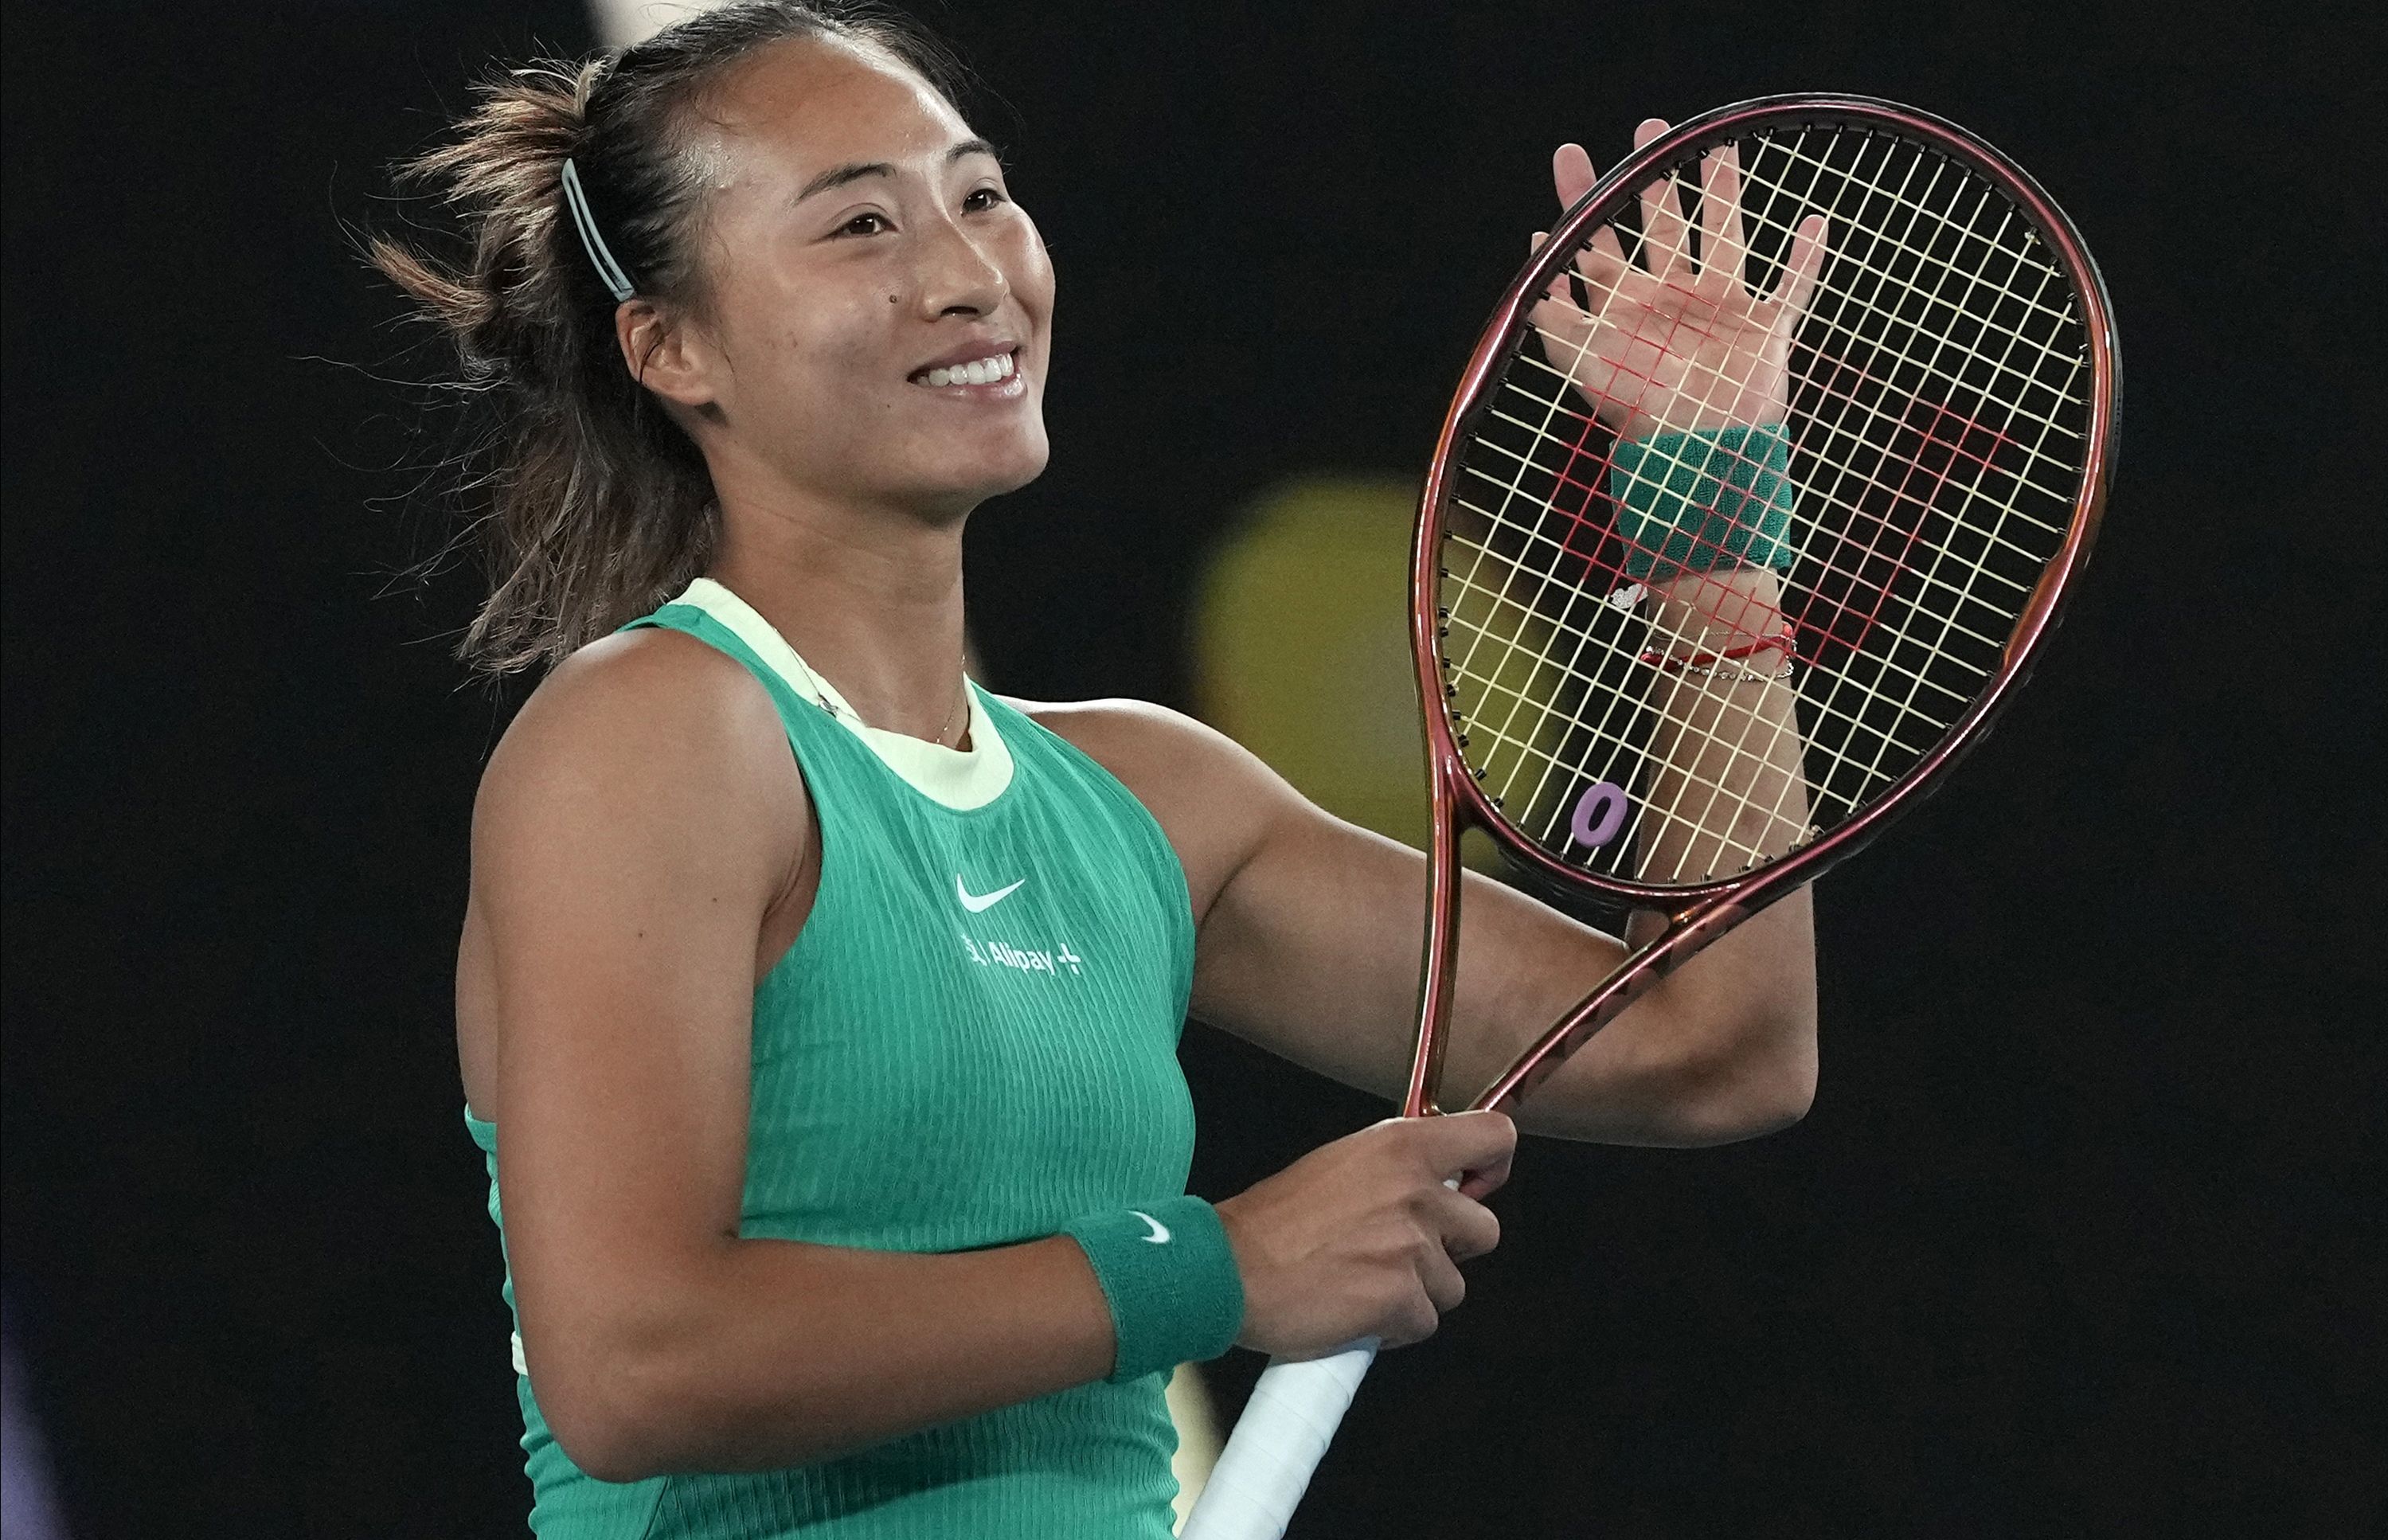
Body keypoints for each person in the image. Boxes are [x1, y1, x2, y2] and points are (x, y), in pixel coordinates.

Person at [377, 2, 1818, 1534]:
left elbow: (1712, 1046)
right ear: (673, 346)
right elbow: (634, 1368)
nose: (964, 272)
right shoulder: (653, 734)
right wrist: (1210, 1268)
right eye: (861, 222)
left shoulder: (1148, 799)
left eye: (981, 193)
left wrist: (1703, 491)